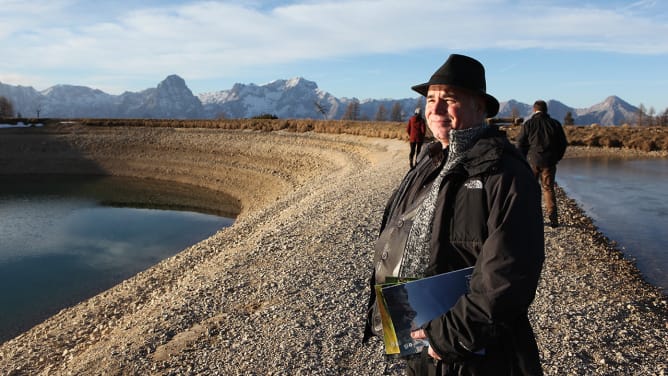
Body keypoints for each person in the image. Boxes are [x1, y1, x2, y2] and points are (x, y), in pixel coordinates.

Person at [364, 54, 545, 375]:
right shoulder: (431, 160)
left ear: (480, 107)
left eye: (449, 99)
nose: (434, 109)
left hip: (469, 351)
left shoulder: (505, 173)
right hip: (419, 334)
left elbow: (508, 274)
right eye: (431, 99)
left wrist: (451, 336)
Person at [516, 100, 568, 228]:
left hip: (532, 161)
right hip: (549, 162)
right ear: (546, 110)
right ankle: (553, 220)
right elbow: (563, 144)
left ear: (534, 110)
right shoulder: (554, 124)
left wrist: (523, 159)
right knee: (548, 189)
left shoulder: (529, 124)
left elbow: (520, 143)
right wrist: (557, 158)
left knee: (531, 190)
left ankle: (531, 218)